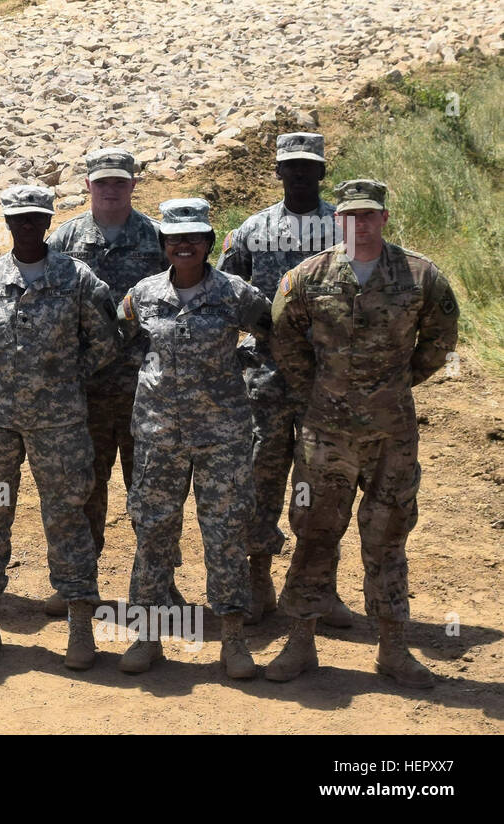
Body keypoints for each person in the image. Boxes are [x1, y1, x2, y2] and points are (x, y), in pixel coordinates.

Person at [267, 180, 459, 688]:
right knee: (313, 533)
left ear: (384, 218)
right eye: (351, 216)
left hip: (391, 436)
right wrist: (322, 391)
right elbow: (284, 339)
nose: (360, 224)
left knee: (389, 536)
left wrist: (392, 384)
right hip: (324, 437)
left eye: (369, 215)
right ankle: (300, 644)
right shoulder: (308, 276)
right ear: (339, 221)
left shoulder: (420, 275)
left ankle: (393, 648)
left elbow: (440, 342)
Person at [0, 185, 119, 667]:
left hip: (59, 425)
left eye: (35, 219)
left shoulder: (79, 279)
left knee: (67, 517)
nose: (26, 226)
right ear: (6, 223)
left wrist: (63, 378)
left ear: (48, 223)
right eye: (18, 219)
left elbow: (105, 343)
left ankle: (79, 626)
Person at [116, 198, 271, 678]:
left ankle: (234, 641)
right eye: (175, 238)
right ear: (163, 244)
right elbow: (125, 340)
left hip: (221, 437)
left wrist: (238, 366)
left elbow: (271, 333)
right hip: (159, 436)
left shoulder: (236, 295)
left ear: (207, 243)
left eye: (195, 238)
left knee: (225, 536)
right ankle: (146, 636)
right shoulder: (141, 295)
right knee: (153, 533)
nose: (185, 245)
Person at [217, 132, 351, 626]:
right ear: (277, 171)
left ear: (321, 170)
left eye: (308, 166)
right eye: (290, 166)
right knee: (262, 479)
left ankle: (320, 586)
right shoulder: (252, 230)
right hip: (266, 381)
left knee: (322, 485)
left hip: (325, 383)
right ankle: (257, 579)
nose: (299, 173)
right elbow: (226, 293)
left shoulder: (343, 228)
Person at [43, 147, 167, 615]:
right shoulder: (66, 240)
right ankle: (78, 584)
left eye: (120, 181)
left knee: (152, 493)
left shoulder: (158, 238)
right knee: (84, 490)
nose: (111, 189)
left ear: (133, 185)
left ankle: (158, 584)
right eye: (102, 182)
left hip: (147, 392)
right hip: (87, 392)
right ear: (88, 185)